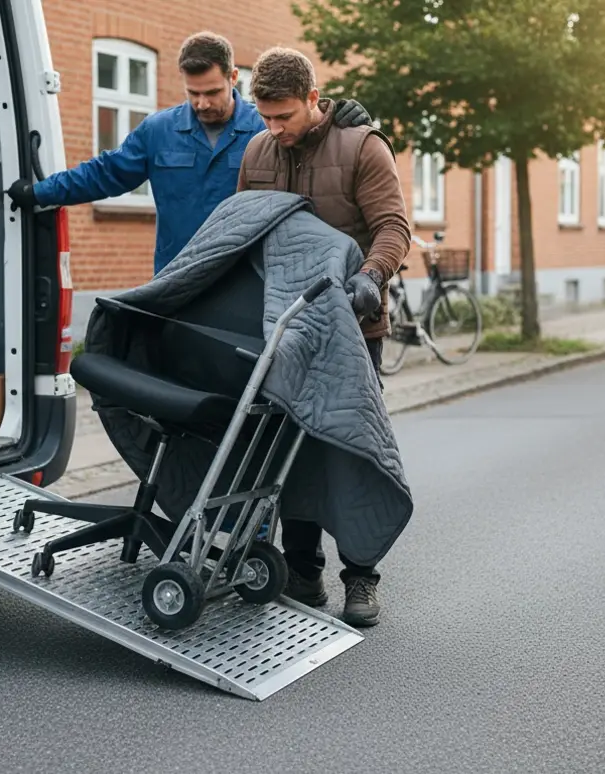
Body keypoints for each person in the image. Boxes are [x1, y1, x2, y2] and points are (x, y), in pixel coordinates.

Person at [236, 46, 411, 628]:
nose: (274, 129)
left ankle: (361, 577)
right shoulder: (257, 151)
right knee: (292, 452)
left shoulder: (362, 147)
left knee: (352, 450)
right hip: (285, 331)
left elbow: (392, 227)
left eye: (284, 116)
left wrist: (372, 276)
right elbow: (244, 231)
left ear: (314, 98)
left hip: (353, 328)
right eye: (265, 117)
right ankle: (302, 572)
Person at [4, 32, 373, 275]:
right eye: (193, 93)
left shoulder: (266, 128)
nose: (202, 103)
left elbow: (315, 145)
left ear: (233, 78)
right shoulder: (158, 131)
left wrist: (340, 116)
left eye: (211, 92)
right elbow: (104, 173)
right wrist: (39, 192)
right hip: (176, 276)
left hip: (246, 278)